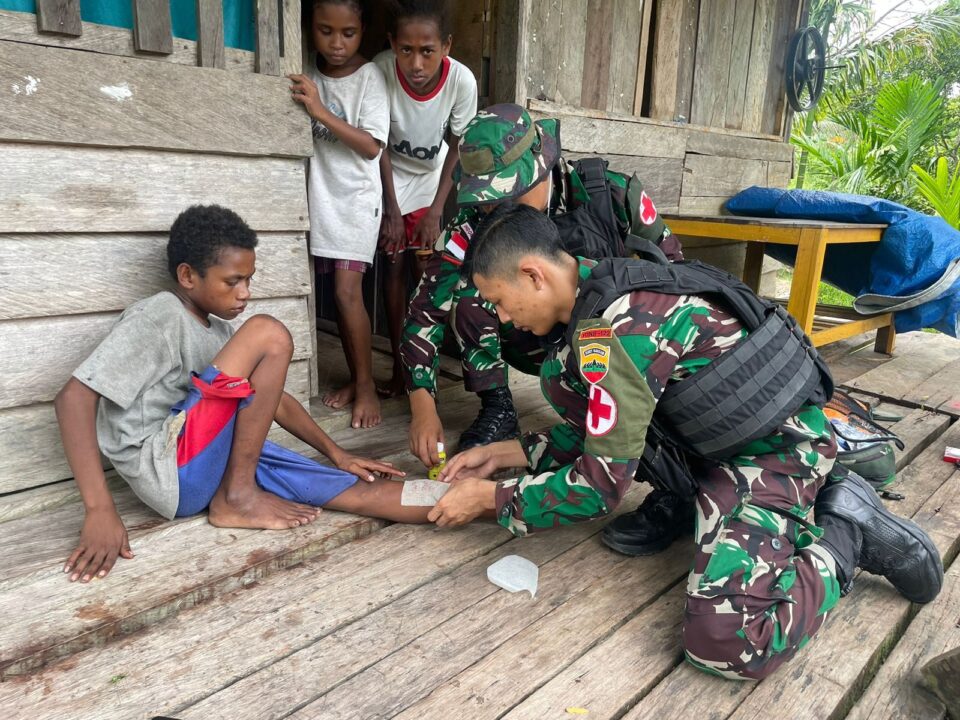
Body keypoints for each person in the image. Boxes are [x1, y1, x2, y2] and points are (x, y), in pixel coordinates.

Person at [429, 203, 943, 680]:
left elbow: (599, 486)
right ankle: (713, 504)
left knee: (725, 642)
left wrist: (492, 501)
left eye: (497, 300)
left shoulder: (621, 325)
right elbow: (603, 430)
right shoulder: (599, 295)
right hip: (710, 447)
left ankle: (843, 533)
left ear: (533, 275)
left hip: (773, 454)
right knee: (562, 381)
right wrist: (502, 453)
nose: (498, 317)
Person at [54, 205, 431, 585]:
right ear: (187, 275)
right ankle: (238, 496)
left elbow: (277, 401)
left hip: (214, 460)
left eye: (249, 280)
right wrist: (99, 508)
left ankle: (484, 502)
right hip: (170, 471)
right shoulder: (159, 316)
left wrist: (338, 454)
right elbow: (73, 398)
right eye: (232, 281)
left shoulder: (220, 335)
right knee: (267, 331)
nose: (245, 293)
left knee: (361, 492)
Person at [400, 103, 680, 467]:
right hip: (531, 344)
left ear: (539, 169)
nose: (494, 210)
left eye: (505, 196)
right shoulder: (473, 224)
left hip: (616, 341)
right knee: (473, 289)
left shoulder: (608, 193)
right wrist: (422, 406)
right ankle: (498, 408)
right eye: (486, 202)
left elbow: (673, 272)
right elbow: (424, 312)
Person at [288, 0, 389, 429]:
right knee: (321, 296)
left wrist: (320, 111)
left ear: (362, 29)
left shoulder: (371, 78)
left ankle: (365, 387)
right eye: (325, 31)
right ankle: (353, 378)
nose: (336, 43)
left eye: (347, 33)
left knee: (349, 295)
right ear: (309, 28)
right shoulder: (304, 71)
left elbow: (371, 146)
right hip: (315, 195)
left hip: (354, 199)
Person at [374, 0, 478, 399]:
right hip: (387, 176)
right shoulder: (381, 70)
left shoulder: (461, 81)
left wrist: (436, 210)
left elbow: (458, 146)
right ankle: (400, 373)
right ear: (392, 44)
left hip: (431, 181)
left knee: (426, 277)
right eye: (406, 50)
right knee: (393, 266)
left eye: (427, 51)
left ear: (446, 46)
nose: (416, 63)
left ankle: (422, 371)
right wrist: (392, 211)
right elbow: (378, 141)